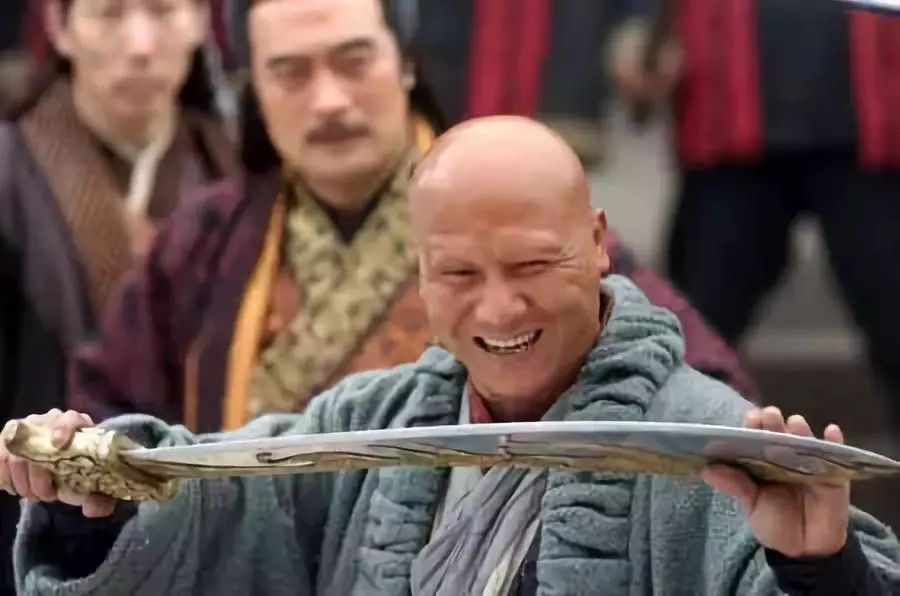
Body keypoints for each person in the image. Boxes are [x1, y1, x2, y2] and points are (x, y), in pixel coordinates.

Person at [4, 116, 899, 595]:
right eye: (459, 274)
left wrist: (820, 568)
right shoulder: (367, 423)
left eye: (533, 266)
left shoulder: (707, 445)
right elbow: (213, 510)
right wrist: (98, 498)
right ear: (420, 277)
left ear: (598, 242)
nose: (499, 308)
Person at [63, 0, 754, 439]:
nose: (330, 101)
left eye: (354, 62)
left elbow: (693, 385)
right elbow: (113, 414)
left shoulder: (516, 209)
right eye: (291, 73)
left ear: (404, 66)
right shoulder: (204, 242)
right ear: (255, 93)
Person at [0, 0, 236, 589]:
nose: (140, 45)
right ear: (60, 27)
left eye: (163, 12)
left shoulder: (238, 174)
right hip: (32, 522)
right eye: (109, 14)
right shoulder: (8, 171)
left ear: (200, 21)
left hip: (202, 532)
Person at [611, 0, 900, 421]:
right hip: (727, 113)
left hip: (878, 116)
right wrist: (637, 24)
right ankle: (662, 456)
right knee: (692, 329)